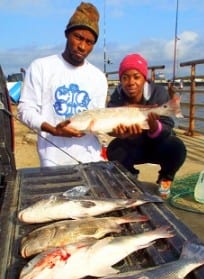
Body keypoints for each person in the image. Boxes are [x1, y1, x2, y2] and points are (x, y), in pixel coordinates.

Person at [18, 2, 108, 167]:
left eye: (89, 42)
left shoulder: (98, 77)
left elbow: (97, 120)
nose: (82, 46)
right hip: (53, 162)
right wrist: (53, 129)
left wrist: (121, 131)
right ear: (67, 34)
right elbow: (25, 110)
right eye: (78, 37)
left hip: (91, 159)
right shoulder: (41, 67)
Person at [107, 53, 186, 198]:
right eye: (125, 77)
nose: (130, 82)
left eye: (136, 77)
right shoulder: (116, 96)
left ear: (145, 78)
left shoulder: (159, 92)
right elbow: (109, 126)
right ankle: (129, 176)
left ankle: (165, 178)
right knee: (113, 149)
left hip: (157, 144)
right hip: (132, 145)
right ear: (120, 80)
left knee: (177, 147)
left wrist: (154, 127)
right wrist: (120, 134)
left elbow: (168, 125)